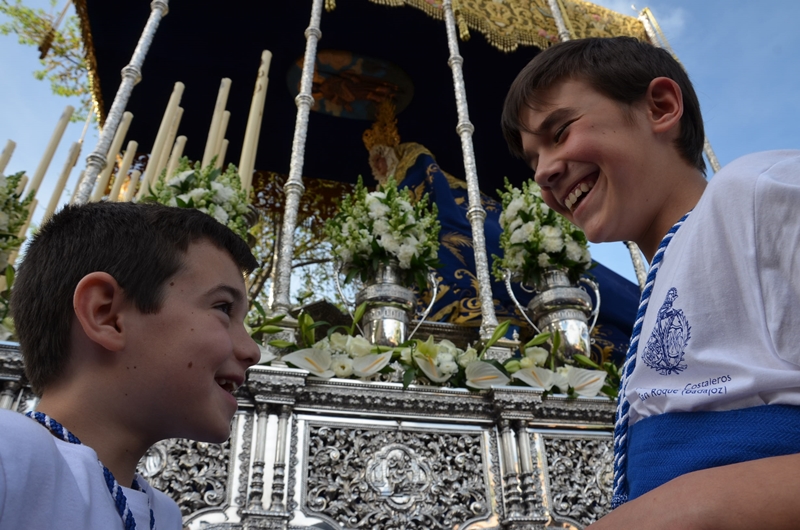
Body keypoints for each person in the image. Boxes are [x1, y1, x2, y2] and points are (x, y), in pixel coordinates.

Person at [502, 36, 800, 528]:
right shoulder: (665, 277)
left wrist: (690, 506)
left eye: (560, 132)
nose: (544, 174)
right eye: (533, 160)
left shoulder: (752, 192)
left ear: (660, 107)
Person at [0, 202, 261, 528]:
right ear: (106, 315)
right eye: (223, 308)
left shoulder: (164, 515)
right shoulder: (10, 452)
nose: (252, 351)